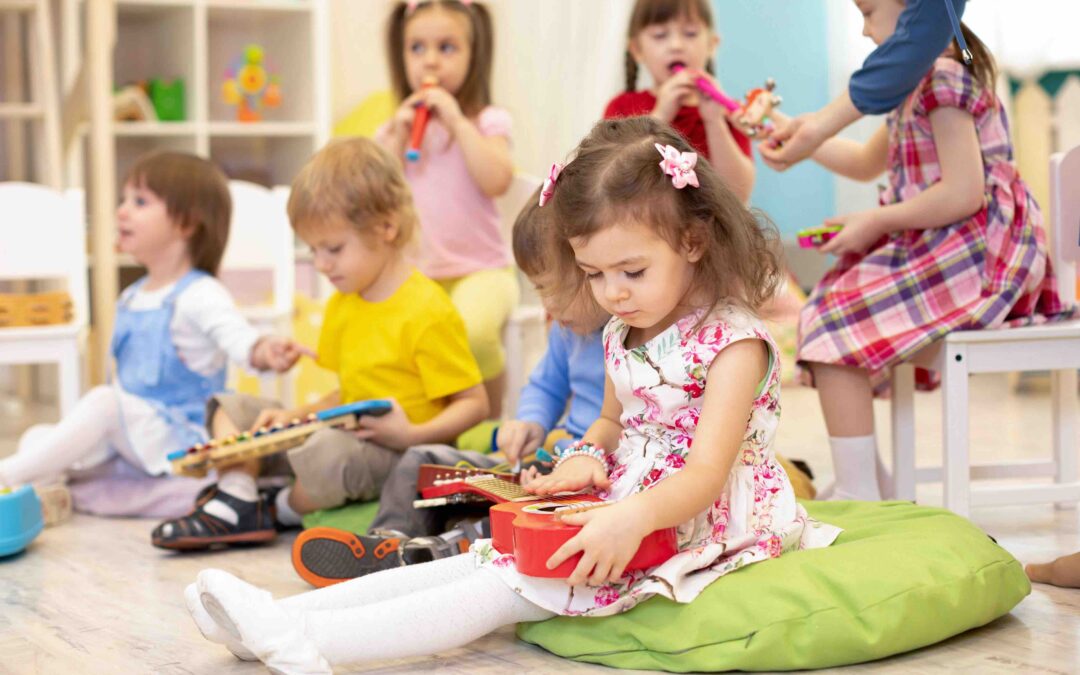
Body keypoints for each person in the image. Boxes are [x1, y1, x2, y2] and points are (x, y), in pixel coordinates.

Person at [184, 117, 840, 672]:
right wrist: (586, 453)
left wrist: (632, 516)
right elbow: (612, 422)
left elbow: (704, 472)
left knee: (509, 587)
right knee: (487, 555)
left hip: (700, 517)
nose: (610, 293)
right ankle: (275, 617)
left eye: (630, 271)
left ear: (693, 241)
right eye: (593, 274)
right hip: (629, 495)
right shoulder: (626, 325)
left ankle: (313, 643)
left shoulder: (734, 343)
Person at [151, 138, 488, 550]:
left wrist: (411, 434)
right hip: (347, 429)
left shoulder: (428, 310)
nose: (321, 264)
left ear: (386, 227)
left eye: (333, 249)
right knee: (231, 408)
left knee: (326, 451)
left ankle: (275, 509)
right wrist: (296, 414)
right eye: (313, 249)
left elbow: (475, 404)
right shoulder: (344, 301)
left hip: (398, 451)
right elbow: (349, 390)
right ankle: (238, 495)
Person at [796, 0, 1069, 500]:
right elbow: (861, 163)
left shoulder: (943, 76)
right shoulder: (914, 84)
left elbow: (965, 193)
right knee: (828, 310)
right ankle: (866, 482)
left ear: (915, 13)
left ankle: (861, 490)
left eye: (869, 11)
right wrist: (794, 134)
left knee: (830, 317)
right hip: (944, 245)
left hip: (979, 256)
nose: (863, 31)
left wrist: (873, 220)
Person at [0, 153, 300, 512]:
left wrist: (264, 349)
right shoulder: (132, 295)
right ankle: (113, 494)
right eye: (124, 200)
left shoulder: (200, 293)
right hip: (133, 441)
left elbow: (237, 337)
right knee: (39, 437)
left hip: (179, 440)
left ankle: (9, 476)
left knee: (102, 403)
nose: (122, 211)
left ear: (187, 223)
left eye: (140, 202)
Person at [376, 0, 517, 415]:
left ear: (474, 55)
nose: (430, 61)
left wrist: (458, 123)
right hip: (419, 277)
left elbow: (498, 179)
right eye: (416, 48)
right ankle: (440, 426)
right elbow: (368, 196)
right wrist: (397, 140)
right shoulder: (395, 127)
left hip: (483, 270)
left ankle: (487, 422)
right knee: (408, 347)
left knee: (470, 332)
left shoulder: (487, 121)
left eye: (447, 47)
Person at [604, 0, 754, 202]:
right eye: (660, 35)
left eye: (690, 33)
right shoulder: (622, 107)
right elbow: (610, 181)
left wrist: (715, 122)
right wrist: (659, 117)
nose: (676, 45)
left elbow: (738, 195)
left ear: (711, 45)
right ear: (637, 49)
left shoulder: (727, 113)